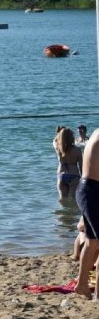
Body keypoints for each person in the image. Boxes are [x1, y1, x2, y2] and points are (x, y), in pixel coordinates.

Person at [75, 128, 99, 299]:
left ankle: (83, 284)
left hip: (88, 189)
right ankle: (95, 290)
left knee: (92, 242)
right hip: (93, 190)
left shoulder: (96, 132)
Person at [54, 127, 82, 201]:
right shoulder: (77, 150)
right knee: (73, 200)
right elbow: (81, 167)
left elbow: (54, 141)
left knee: (62, 199)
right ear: (72, 137)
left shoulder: (58, 149)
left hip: (62, 175)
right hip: (74, 175)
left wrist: (59, 134)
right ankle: (71, 212)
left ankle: (64, 212)